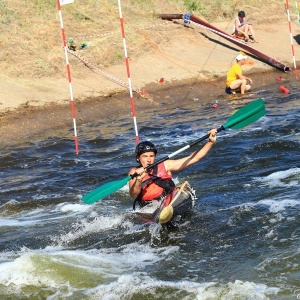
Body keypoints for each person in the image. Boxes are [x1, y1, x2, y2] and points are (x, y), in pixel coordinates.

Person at [128, 129, 217, 209]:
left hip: (168, 201)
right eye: (145, 156)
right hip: (149, 207)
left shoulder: (166, 165)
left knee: (178, 191)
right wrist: (138, 180)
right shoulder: (134, 172)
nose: (149, 160)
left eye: (151, 156)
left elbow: (194, 158)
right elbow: (133, 194)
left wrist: (210, 142)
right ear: (138, 158)